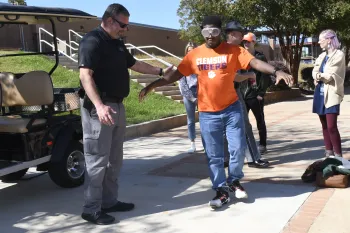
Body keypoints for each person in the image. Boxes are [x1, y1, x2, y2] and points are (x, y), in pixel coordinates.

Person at [139, 15, 293, 209]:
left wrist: (276, 71)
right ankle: (221, 190)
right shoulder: (195, 54)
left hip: (231, 109)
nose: (210, 36)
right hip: (207, 113)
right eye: (206, 32)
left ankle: (234, 180)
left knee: (237, 149)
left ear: (220, 31)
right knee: (214, 156)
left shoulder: (234, 51)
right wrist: (152, 85)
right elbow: (174, 75)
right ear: (202, 32)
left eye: (214, 32)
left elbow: (254, 63)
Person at [78, 3, 173, 225]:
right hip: (99, 109)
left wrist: (159, 71)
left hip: (118, 107)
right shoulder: (93, 41)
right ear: (110, 20)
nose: (125, 30)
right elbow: (85, 76)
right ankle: (91, 208)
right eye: (123, 25)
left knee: (114, 160)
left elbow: (134, 64)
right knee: (96, 161)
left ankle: (109, 202)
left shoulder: (117, 44)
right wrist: (100, 106)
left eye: (127, 26)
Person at [225, 21, 270, 168]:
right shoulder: (220, 51)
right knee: (222, 127)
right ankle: (225, 158)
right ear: (232, 34)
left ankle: (253, 158)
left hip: (237, 92)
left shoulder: (239, 52)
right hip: (220, 94)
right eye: (239, 36)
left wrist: (275, 71)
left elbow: (256, 65)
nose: (242, 40)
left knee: (245, 125)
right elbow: (234, 76)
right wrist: (249, 75)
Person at [312, 29, 345, 158]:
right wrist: (318, 75)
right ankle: (329, 153)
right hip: (319, 94)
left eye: (321, 39)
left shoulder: (339, 55)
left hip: (331, 94)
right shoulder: (321, 56)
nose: (319, 42)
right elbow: (314, 71)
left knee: (332, 126)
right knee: (324, 125)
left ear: (329, 40)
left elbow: (330, 76)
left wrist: (318, 76)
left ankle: (338, 156)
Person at [241, 32, 272, 155]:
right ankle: (246, 145)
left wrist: (261, 92)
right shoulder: (240, 55)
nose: (246, 44)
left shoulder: (260, 57)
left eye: (248, 41)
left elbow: (265, 76)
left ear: (254, 42)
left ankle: (263, 144)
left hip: (255, 95)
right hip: (242, 94)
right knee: (243, 122)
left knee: (260, 120)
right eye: (244, 42)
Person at [179, 42, 198, 153]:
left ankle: (207, 144)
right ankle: (192, 143)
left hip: (201, 92)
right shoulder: (183, 64)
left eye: (193, 50)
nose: (191, 52)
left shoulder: (201, 63)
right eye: (189, 50)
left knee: (205, 119)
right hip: (188, 94)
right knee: (191, 120)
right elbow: (182, 84)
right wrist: (192, 98)